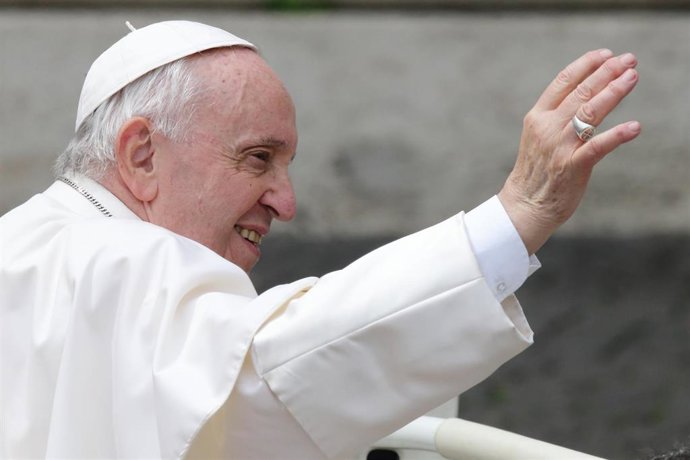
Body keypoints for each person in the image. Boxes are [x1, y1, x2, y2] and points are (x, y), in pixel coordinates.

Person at [0, 20, 640, 459]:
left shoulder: (25, 245)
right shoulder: (126, 260)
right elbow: (277, 375)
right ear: (141, 155)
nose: (286, 201)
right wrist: (519, 213)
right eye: (257, 158)